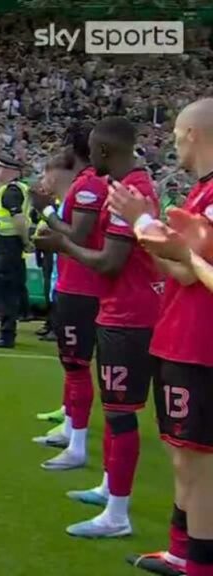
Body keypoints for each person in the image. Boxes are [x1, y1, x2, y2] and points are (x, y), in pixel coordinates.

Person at [35, 116, 160, 538]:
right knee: (115, 409)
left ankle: (118, 516)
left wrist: (62, 242)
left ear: (104, 152)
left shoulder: (130, 193)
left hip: (130, 316)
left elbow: (109, 260)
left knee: (122, 415)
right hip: (117, 311)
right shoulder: (126, 190)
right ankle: (110, 488)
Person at [110, 98, 213, 576]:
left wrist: (143, 225)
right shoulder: (200, 193)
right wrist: (143, 227)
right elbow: (179, 269)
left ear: (193, 134)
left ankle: (199, 565)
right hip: (179, 339)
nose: (172, 141)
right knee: (182, 457)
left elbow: (195, 271)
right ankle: (180, 551)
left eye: (175, 132)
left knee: (200, 466)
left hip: (200, 346)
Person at [29, 127, 103, 470]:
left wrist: (46, 214)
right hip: (75, 285)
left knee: (77, 367)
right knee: (74, 365)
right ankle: (72, 429)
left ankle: (77, 442)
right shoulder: (86, 184)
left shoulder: (87, 185)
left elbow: (77, 235)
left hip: (81, 287)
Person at [0, 156, 31, 348]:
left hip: (7, 245)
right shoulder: (12, 189)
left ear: (12, 171)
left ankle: (6, 334)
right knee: (7, 290)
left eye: (2, 168)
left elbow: (18, 218)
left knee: (5, 292)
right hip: (7, 245)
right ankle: (5, 332)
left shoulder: (11, 191)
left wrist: (25, 241)